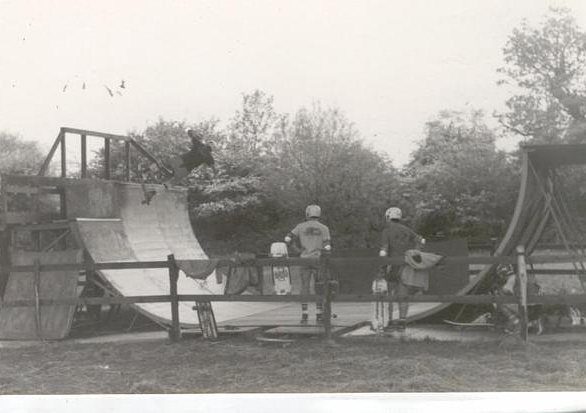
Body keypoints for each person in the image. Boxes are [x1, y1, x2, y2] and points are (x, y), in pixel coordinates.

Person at [379, 207, 425, 331]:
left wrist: (382, 266)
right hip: (406, 264)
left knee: (389, 294)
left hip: (392, 265)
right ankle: (402, 322)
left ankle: (388, 322)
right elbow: (422, 240)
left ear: (388, 217)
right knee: (403, 295)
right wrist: (415, 253)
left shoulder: (386, 231)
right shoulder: (407, 230)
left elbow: (384, 250)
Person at [285, 204, 332, 324]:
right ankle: (319, 314)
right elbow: (327, 246)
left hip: (304, 259)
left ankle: (304, 314)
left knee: (304, 286)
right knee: (319, 286)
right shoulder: (324, 228)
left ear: (307, 214)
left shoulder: (300, 226)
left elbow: (287, 239)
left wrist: (297, 250)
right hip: (318, 260)